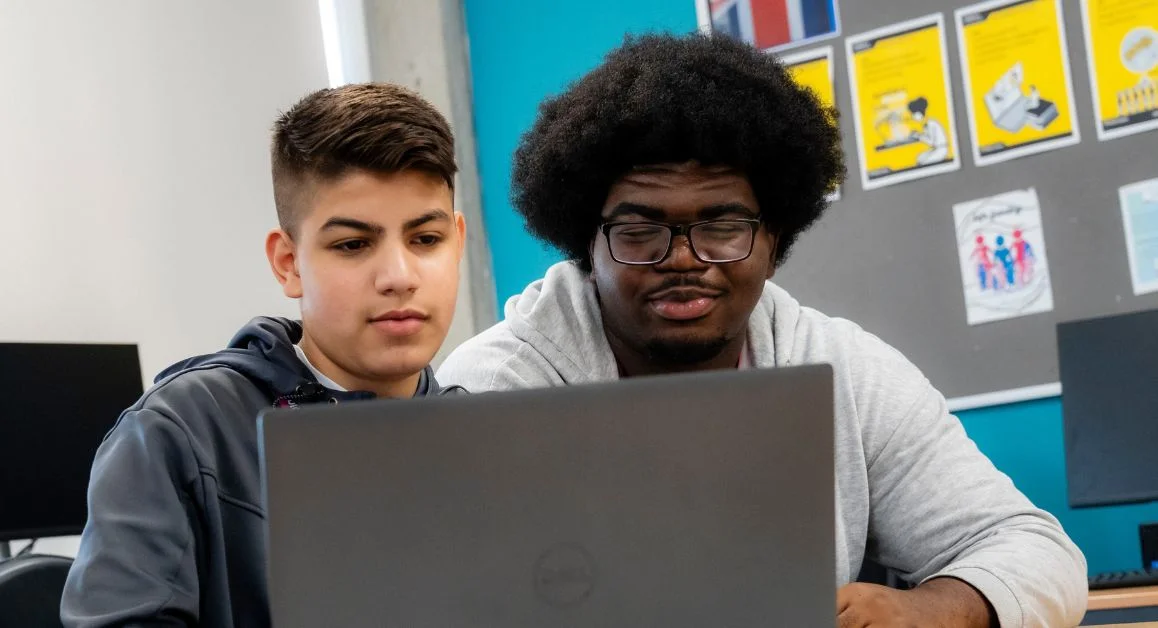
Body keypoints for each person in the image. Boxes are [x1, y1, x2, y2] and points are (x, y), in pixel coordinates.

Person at [438, 33, 1086, 627]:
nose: (685, 259)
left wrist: (935, 610)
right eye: (640, 231)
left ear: (775, 241)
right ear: (587, 246)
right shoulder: (492, 392)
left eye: (722, 227)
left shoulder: (846, 373)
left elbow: (1035, 552)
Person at [61, 83, 468, 627]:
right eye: (353, 244)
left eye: (425, 239)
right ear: (288, 264)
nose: (399, 277)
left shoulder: (481, 440)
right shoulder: (179, 432)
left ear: (457, 242)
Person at [907, 96, 950, 165]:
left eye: (913, 114)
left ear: (919, 113)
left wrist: (919, 136)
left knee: (922, 163)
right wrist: (918, 135)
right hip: (936, 149)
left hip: (941, 150)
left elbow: (931, 142)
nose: (912, 117)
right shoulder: (927, 123)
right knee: (919, 158)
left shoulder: (931, 123)